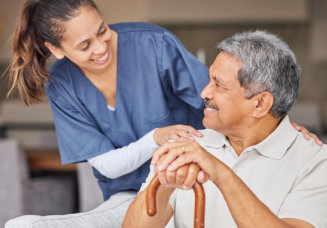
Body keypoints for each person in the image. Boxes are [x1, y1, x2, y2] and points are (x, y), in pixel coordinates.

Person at [5, 0, 322, 227]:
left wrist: (283, 127)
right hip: (133, 191)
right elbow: (107, 168)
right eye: (85, 45)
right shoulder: (62, 84)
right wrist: (158, 143)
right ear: (57, 50)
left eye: (103, 31)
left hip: (199, 166)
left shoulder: (152, 45)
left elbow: (234, 106)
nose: (101, 47)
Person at [123, 30, 327, 228]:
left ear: (260, 104)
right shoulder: (186, 146)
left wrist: (220, 173)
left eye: (218, 85)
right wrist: (164, 185)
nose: (204, 92)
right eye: (209, 80)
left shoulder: (315, 162)